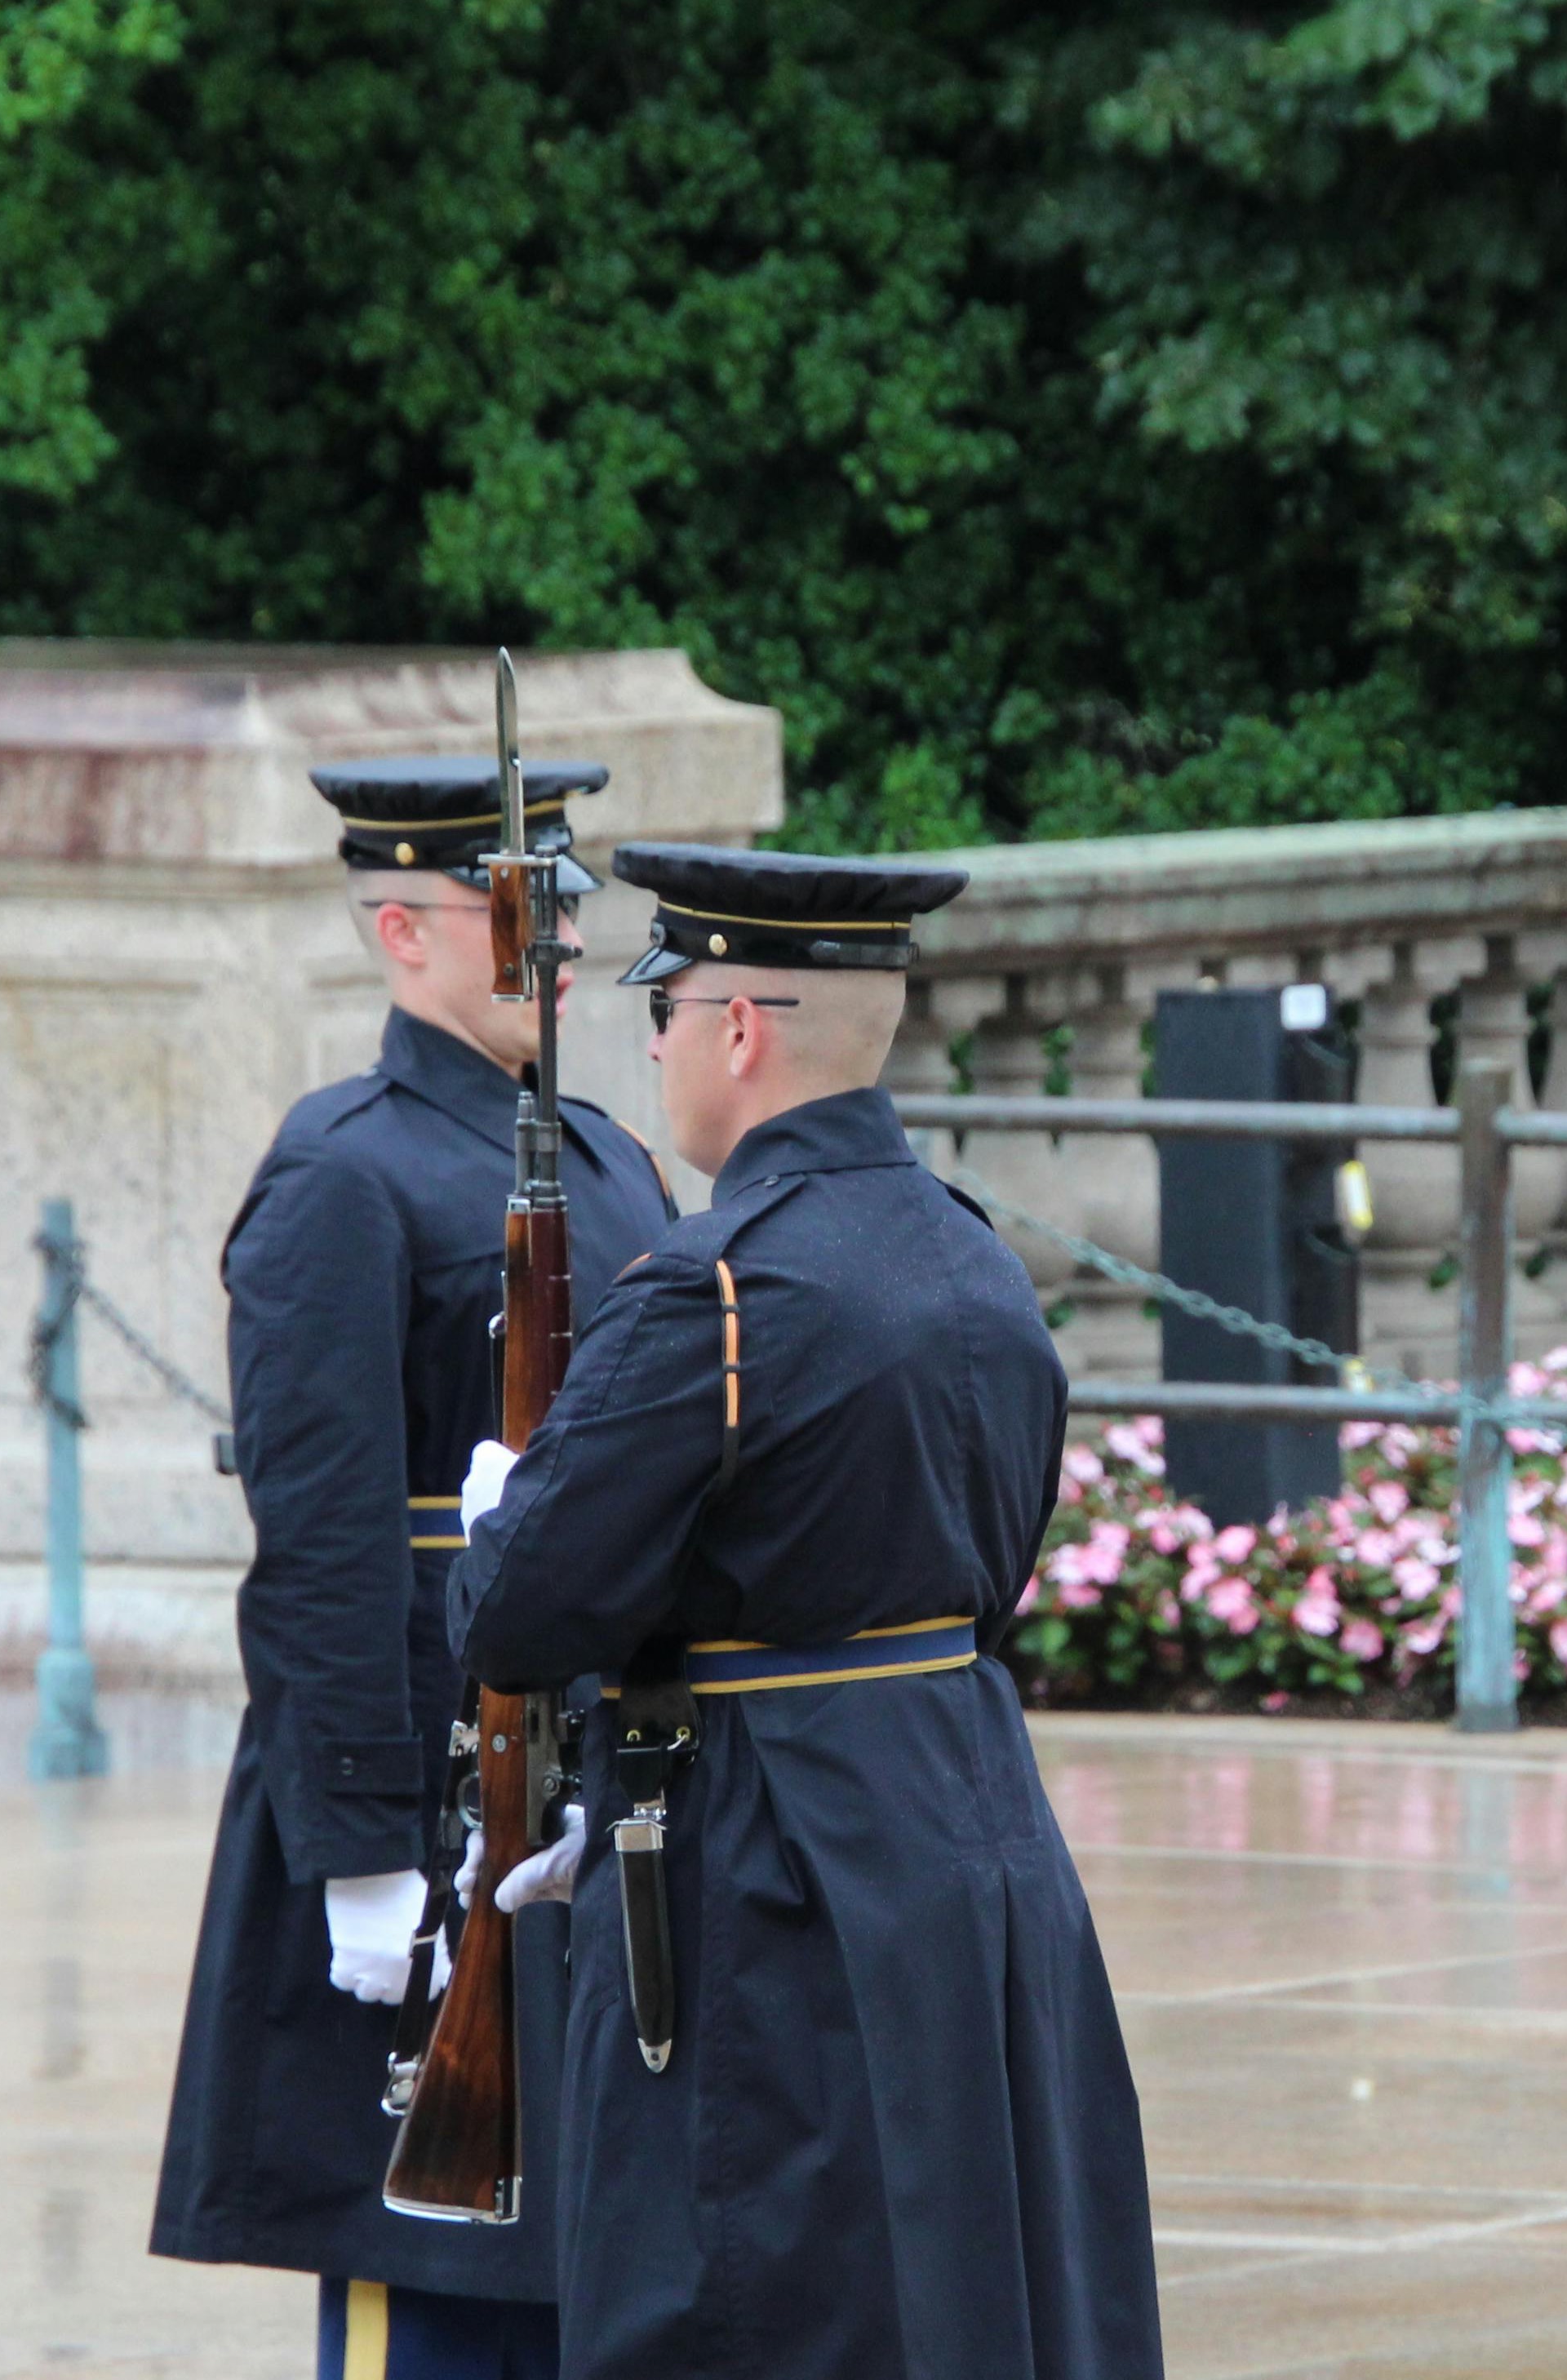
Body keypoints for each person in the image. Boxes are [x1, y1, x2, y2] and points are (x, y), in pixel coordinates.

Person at [446, 842, 1165, 2380]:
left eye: (667, 1012)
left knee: (751, 2297)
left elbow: (517, 1615)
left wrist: (503, 1501)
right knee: (963, 2285)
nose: (650, 1047)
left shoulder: (712, 1290)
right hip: (963, 1817)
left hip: (770, 1864)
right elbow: (982, 1561)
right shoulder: (976, 1259)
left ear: (740, 1030)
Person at [151, 757, 680, 2380]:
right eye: (519, 911)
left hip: (580, 1772)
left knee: (589, 2266)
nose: (563, 947)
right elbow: (317, 1548)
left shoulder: (605, 1161)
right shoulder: (345, 1174)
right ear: (400, 928)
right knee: (430, 2291)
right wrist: (362, 1845)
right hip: (431, 1784)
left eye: (570, 909)